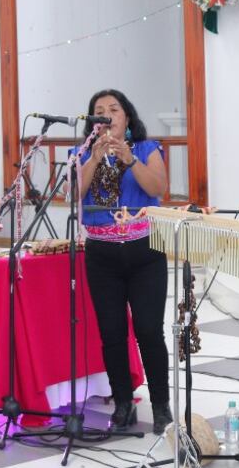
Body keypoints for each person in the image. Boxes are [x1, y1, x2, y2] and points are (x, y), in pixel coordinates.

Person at [73, 88, 171, 435]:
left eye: (113, 109)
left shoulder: (147, 149)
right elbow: (73, 196)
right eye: (99, 110)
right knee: (112, 334)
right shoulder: (82, 153)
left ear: (127, 116)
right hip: (101, 256)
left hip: (145, 252)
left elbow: (158, 186)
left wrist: (129, 157)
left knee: (148, 330)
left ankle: (161, 406)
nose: (107, 114)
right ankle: (124, 403)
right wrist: (95, 158)